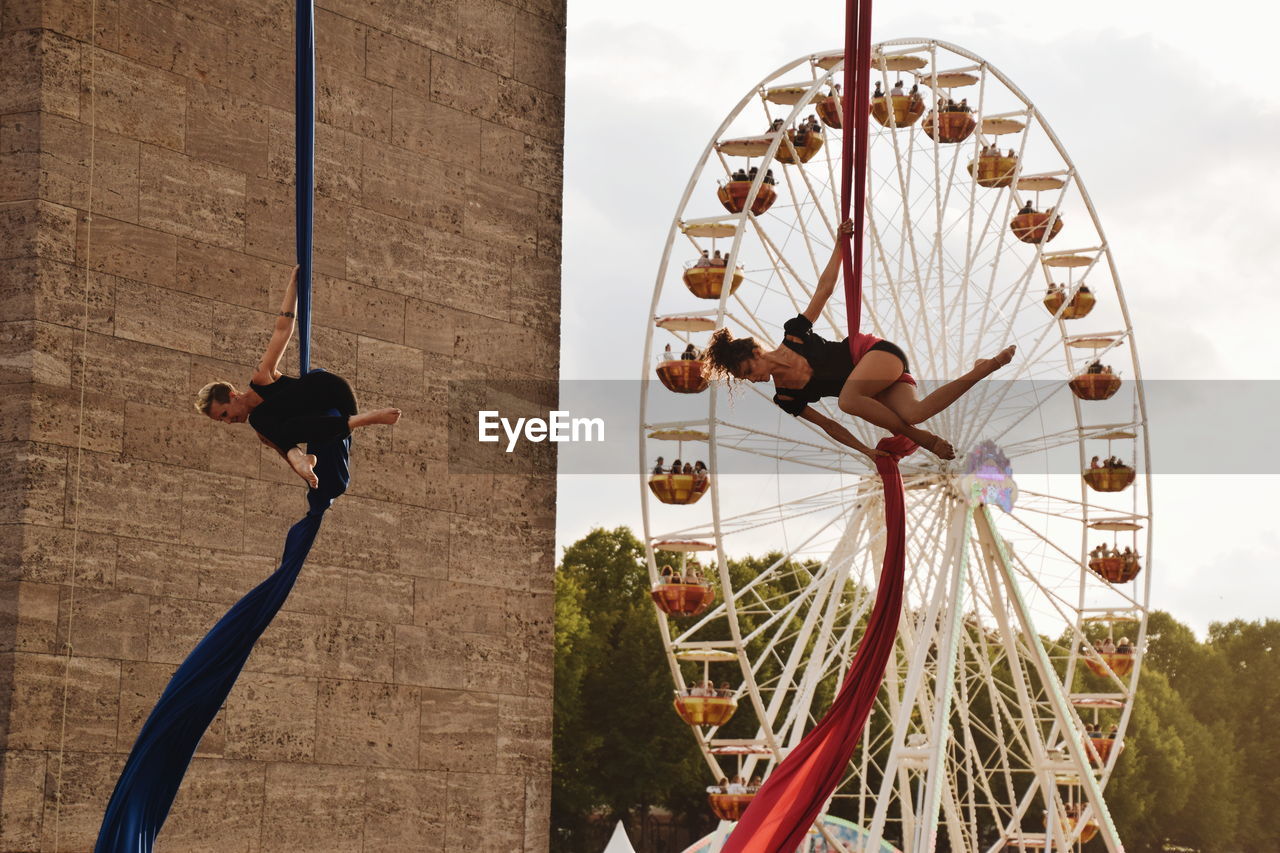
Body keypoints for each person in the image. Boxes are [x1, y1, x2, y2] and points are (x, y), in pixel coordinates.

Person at [702, 221, 1014, 461]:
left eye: (748, 369)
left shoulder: (794, 334)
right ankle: (984, 368)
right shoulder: (784, 398)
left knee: (848, 400)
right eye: (745, 377)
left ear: (756, 350)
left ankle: (924, 439)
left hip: (875, 354)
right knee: (915, 413)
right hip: (873, 388)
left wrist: (840, 244)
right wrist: (865, 450)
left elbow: (823, 290)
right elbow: (830, 426)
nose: (752, 378)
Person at [196, 265, 400, 489]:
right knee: (268, 429)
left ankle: (365, 419)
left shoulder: (262, 378)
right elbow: (287, 452)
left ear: (233, 395)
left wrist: (293, 286)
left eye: (224, 414)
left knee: (260, 419)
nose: (228, 421)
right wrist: (302, 466)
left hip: (329, 390)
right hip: (334, 424)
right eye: (222, 421)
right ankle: (352, 426)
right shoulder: (265, 431)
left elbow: (282, 330)